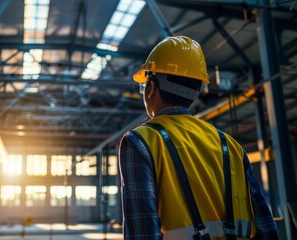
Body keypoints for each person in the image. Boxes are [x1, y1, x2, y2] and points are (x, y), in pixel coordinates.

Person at [118, 36, 278, 240]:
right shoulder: (231, 145)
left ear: (151, 89)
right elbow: (265, 224)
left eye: (144, 86)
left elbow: (142, 231)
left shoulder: (139, 141)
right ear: (195, 92)